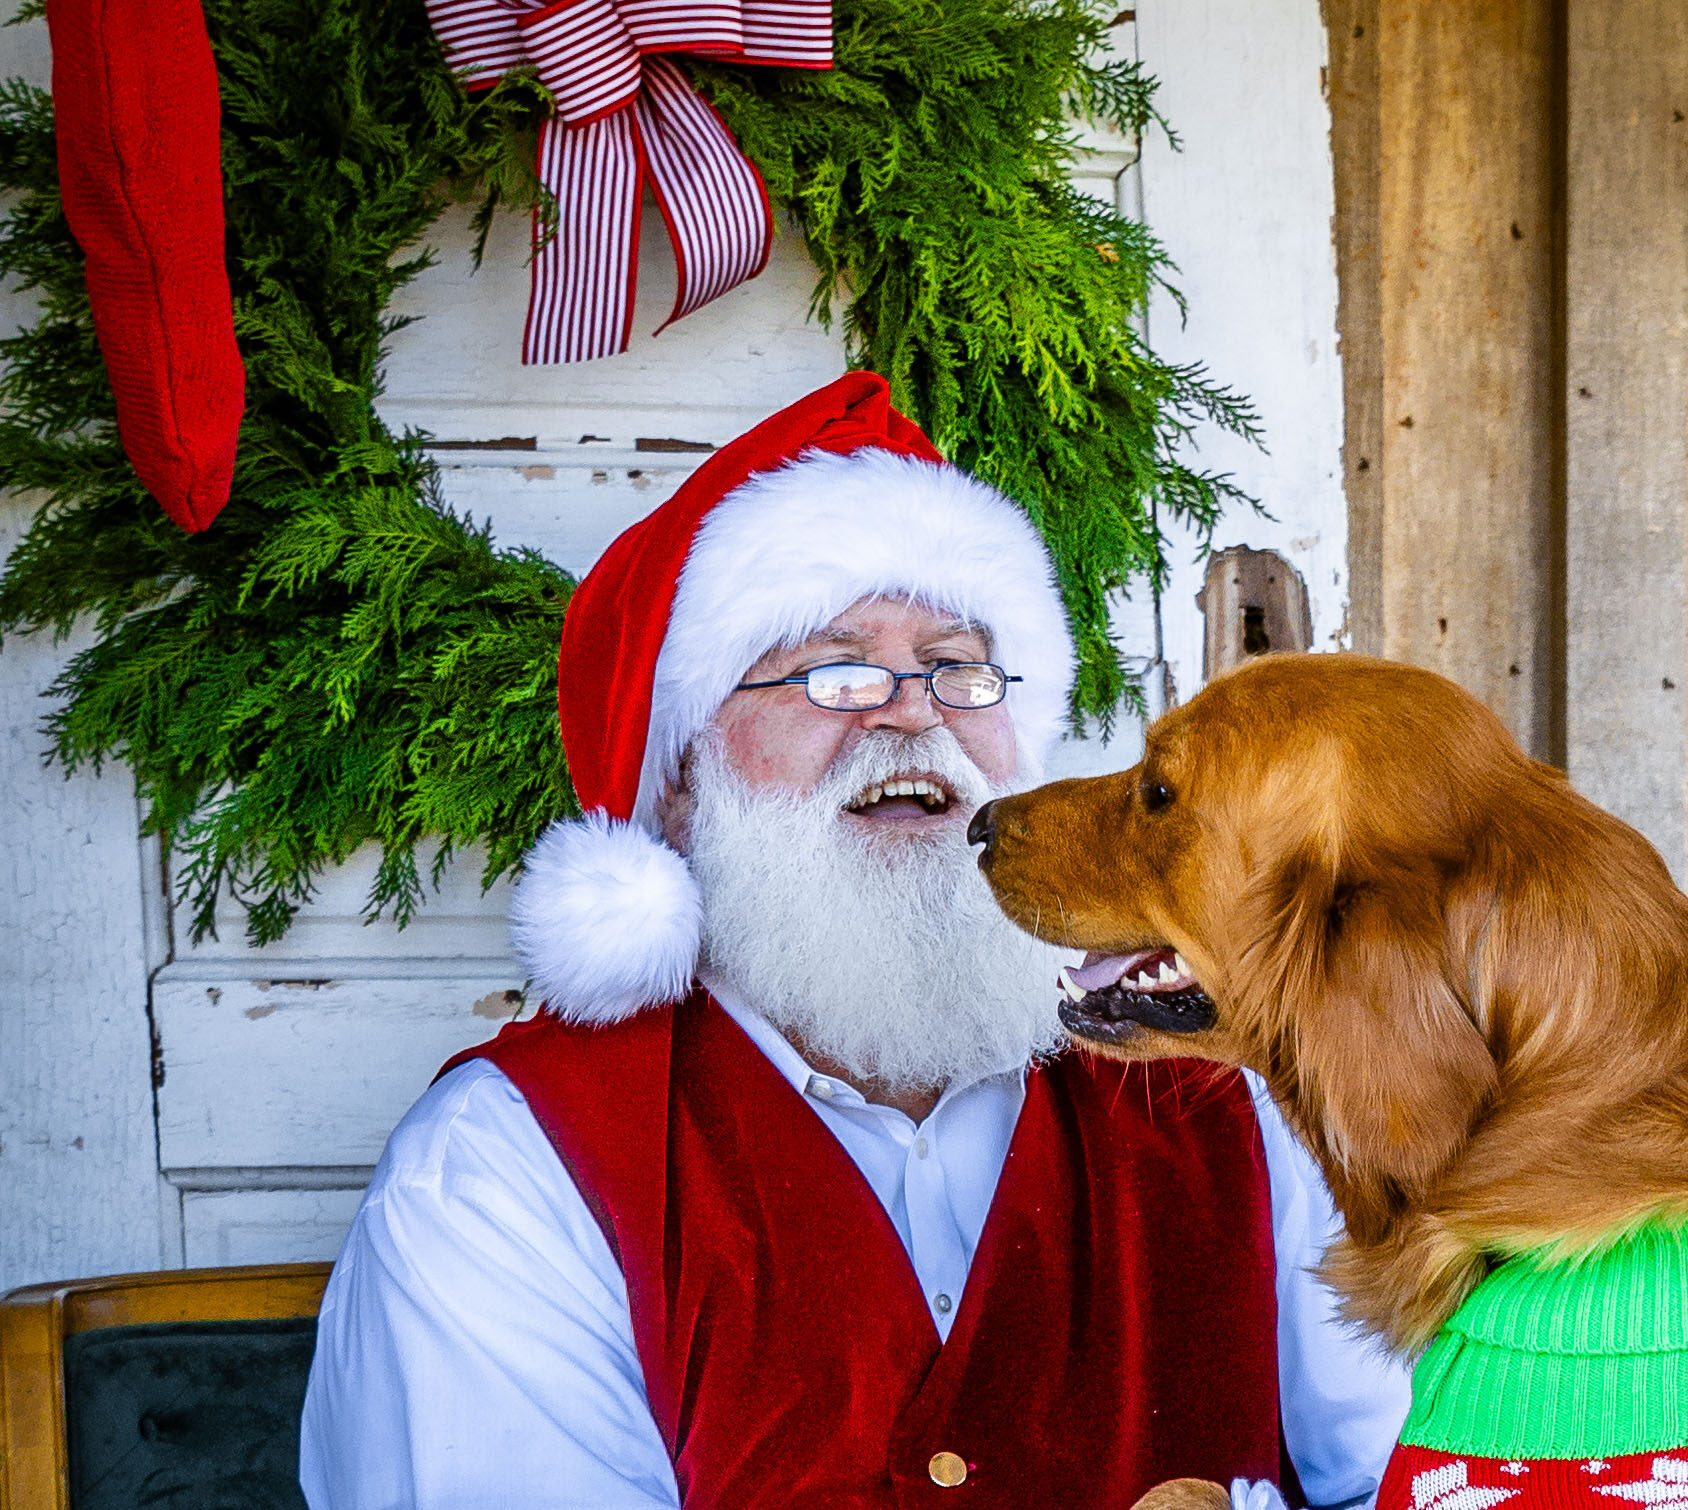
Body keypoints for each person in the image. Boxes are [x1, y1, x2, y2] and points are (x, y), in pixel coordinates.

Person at [298, 372, 1412, 1509]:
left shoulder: (1227, 1095)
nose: (914, 711)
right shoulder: (506, 1169)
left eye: (959, 666)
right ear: (680, 780)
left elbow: (1418, 1472)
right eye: (834, 669)